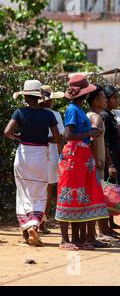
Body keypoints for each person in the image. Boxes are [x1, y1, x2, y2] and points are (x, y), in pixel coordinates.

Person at [55, 74, 109, 251]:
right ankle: (64, 240)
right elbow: (68, 135)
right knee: (69, 194)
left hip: (81, 157)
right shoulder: (73, 109)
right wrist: (89, 133)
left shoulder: (77, 109)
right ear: (83, 94)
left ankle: (78, 239)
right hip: (74, 156)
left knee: (80, 196)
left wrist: (90, 132)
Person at [4, 80, 60, 247]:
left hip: (23, 155)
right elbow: (57, 138)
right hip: (41, 156)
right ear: (40, 97)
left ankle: (25, 231)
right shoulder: (48, 114)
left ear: (26, 96)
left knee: (23, 193)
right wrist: (46, 138)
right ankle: (34, 224)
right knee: (40, 193)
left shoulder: (19, 112)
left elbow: (7, 132)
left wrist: (20, 137)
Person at [86, 85, 119, 242]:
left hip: (98, 161)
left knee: (100, 196)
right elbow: (94, 141)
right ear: (95, 100)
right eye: (103, 97)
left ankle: (103, 229)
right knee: (97, 197)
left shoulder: (95, 115)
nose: (105, 100)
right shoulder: (96, 118)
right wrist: (97, 159)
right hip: (97, 162)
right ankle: (100, 231)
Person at [37, 85, 65, 234]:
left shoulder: (32, 113)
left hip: (34, 154)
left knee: (35, 189)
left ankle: (33, 221)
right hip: (51, 155)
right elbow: (60, 138)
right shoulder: (55, 115)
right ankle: (42, 222)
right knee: (48, 189)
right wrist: (63, 157)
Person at [101, 85, 120, 231]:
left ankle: (110, 223)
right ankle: (105, 227)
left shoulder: (111, 115)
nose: (117, 100)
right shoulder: (105, 116)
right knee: (107, 191)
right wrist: (110, 163)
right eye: (114, 98)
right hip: (109, 159)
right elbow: (105, 142)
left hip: (115, 158)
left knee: (112, 191)